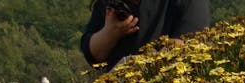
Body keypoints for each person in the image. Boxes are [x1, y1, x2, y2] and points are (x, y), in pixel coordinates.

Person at [81, 0, 210, 71]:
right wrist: (111, 32)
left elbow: (188, 41)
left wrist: (139, 71)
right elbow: (93, 54)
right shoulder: (108, 4)